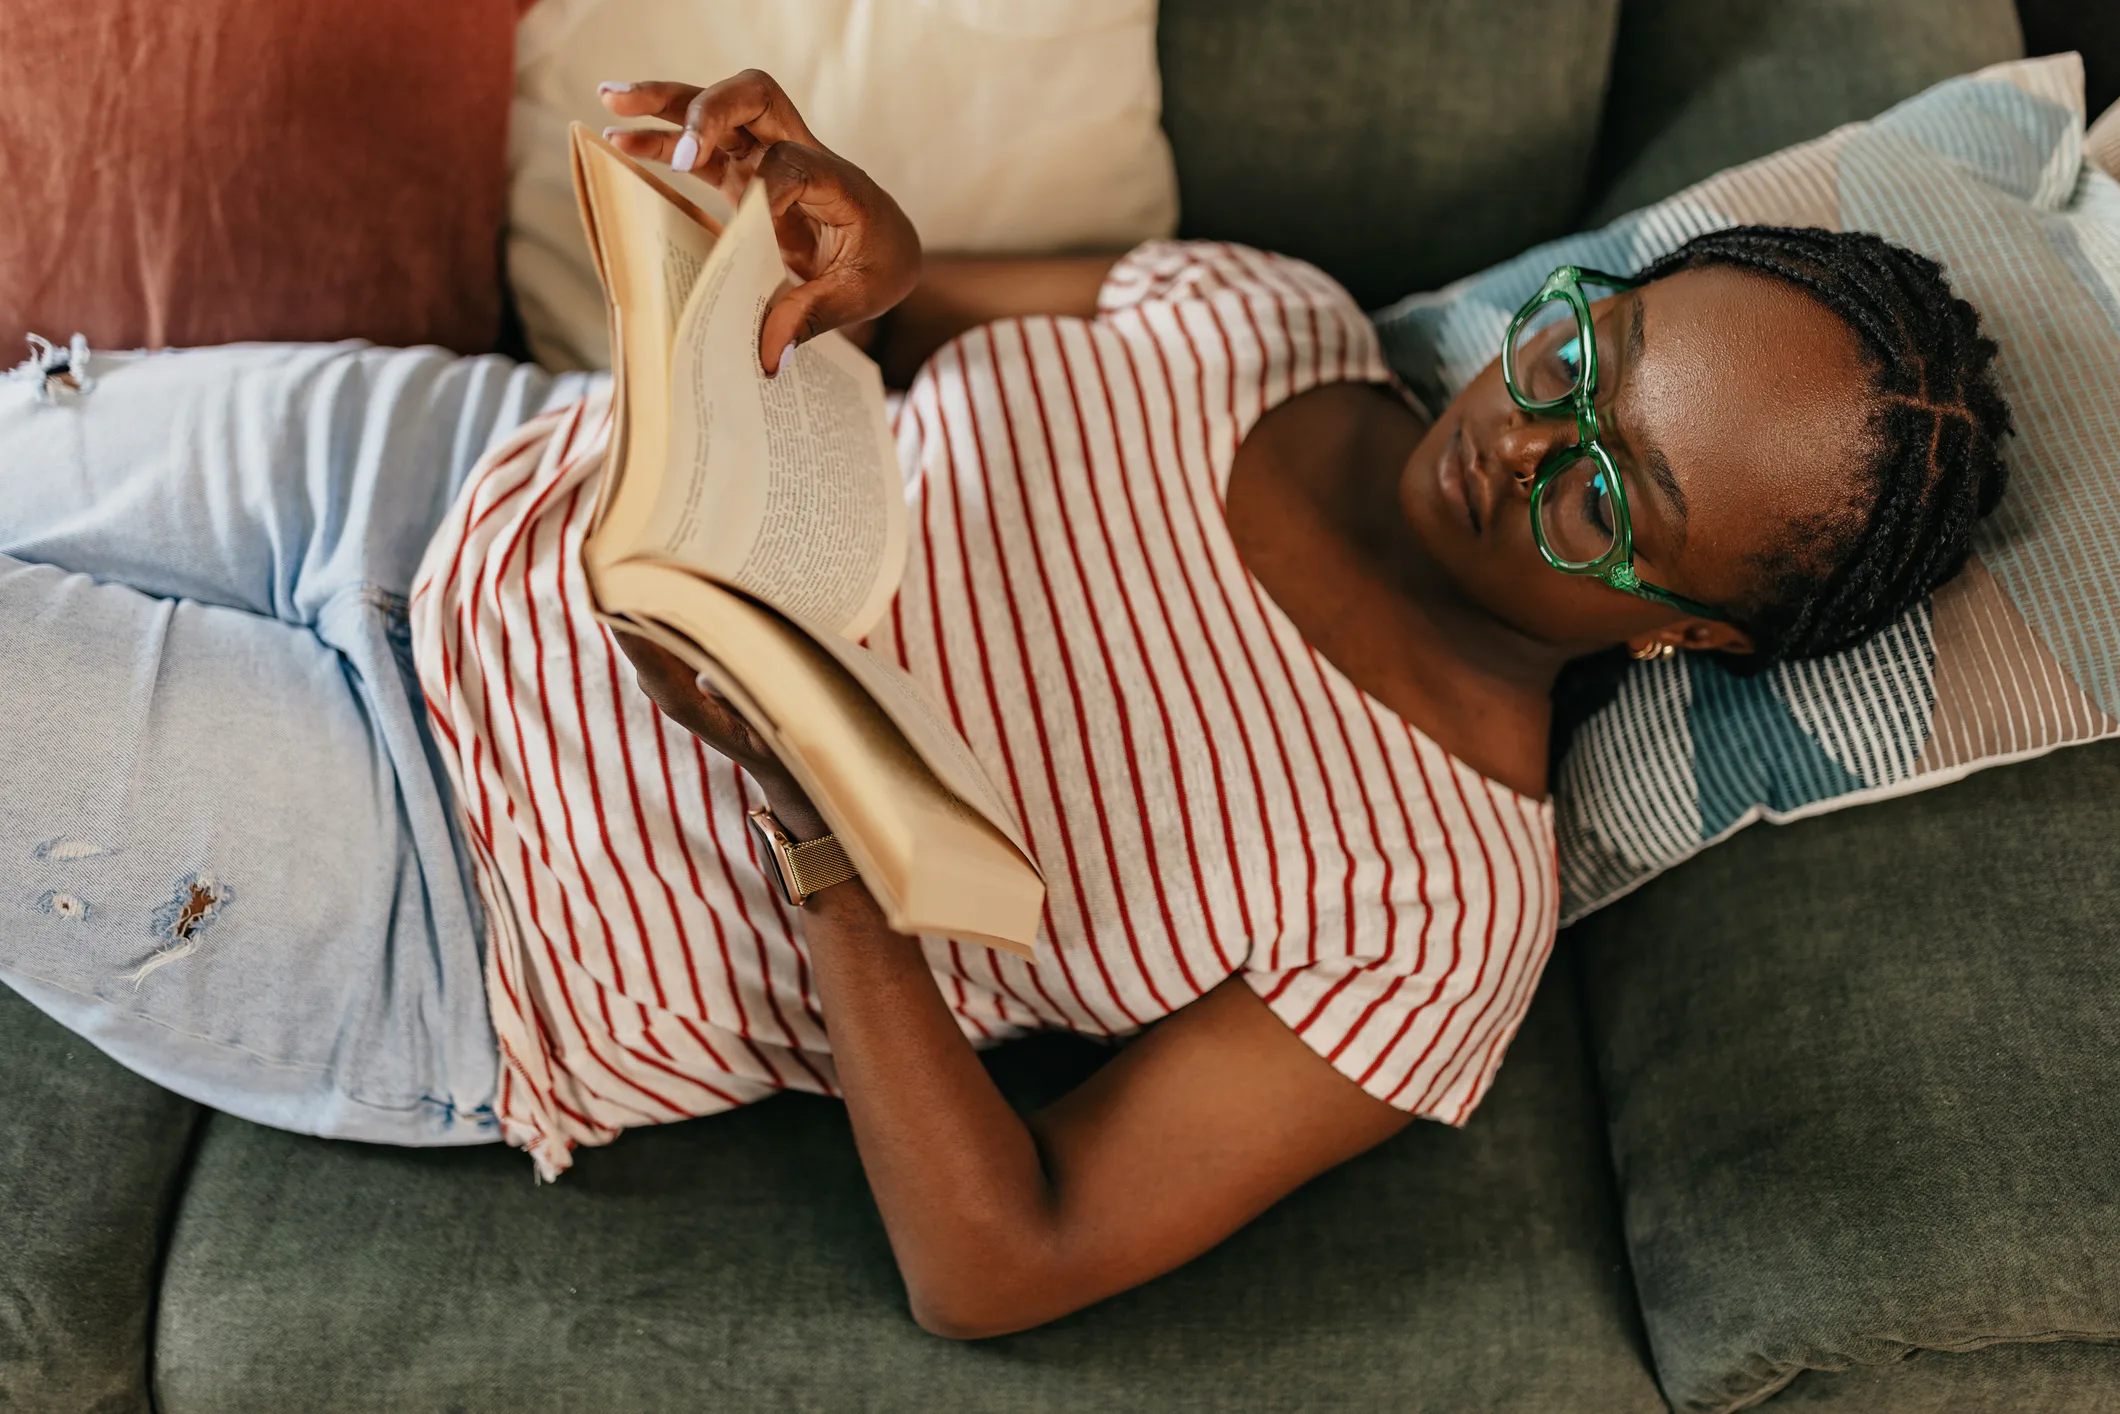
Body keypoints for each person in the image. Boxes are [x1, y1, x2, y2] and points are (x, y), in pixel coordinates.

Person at [0, 70, 2009, 1338]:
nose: (1520, 439)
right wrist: (844, 234)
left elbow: (1005, 1262)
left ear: (1684, 633)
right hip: (443, 468)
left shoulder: (1436, 912)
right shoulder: (1268, 311)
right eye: (1584, 351)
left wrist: (818, 816)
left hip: (439, 894)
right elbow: (901, 300)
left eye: (1608, 491)